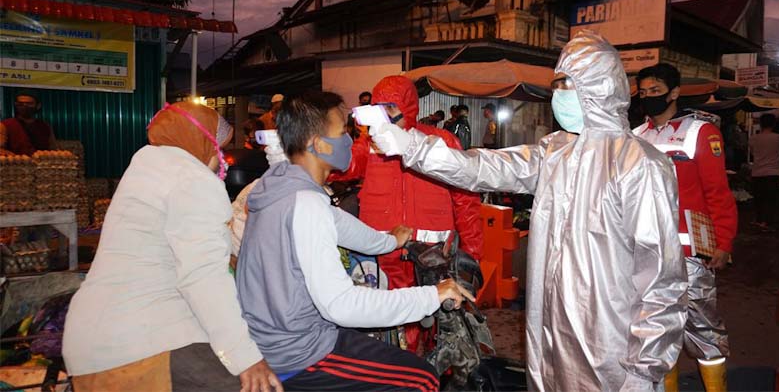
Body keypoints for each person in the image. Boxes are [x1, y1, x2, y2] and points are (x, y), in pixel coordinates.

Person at [370, 30, 688, 391]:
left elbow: (662, 281)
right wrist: (413, 148)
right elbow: (482, 167)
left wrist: (644, 369)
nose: (559, 95)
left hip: (612, 347)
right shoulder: (555, 152)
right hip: (549, 338)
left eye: (568, 84)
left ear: (599, 87)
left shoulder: (640, 165)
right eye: (557, 85)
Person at [236, 91, 472, 391]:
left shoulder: (281, 184)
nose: (350, 139)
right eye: (342, 132)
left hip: (278, 335)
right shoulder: (306, 203)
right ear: (319, 144)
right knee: (421, 378)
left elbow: (342, 225)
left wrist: (390, 242)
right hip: (300, 350)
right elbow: (341, 305)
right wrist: (431, 296)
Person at [63, 102, 282, 392]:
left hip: (91, 340)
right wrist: (246, 358)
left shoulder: (148, 167)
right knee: (254, 385)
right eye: (217, 147)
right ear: (201, 141)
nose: (221, 160)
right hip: (141, 341)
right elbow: (204, 277)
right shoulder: (194, 181)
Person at [331, 76, 484, 353]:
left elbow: (466, 199)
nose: (384, 115)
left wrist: (472, 254)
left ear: (407, 106)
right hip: (384, 256)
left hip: (435, 257)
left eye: (390, 107)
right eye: (377, 108)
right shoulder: (368, 147)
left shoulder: (440, 141)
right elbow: (340, 166)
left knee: (442, 332)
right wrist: (313, 147)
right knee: (390, 332)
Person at [633, 63, 737, 392]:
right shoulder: (636, 137)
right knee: (656, 332)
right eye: (644, 92)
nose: (648, 97)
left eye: (656, 91)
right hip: (647, 252)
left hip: (692, 253)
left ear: (674, 93)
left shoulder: (700, 133)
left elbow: (718, 193)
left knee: (704, 329)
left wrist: (724, 242)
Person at [749, 113, 779, 231]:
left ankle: (759, 219)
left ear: (761, 124)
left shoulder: (753, 138)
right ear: (774, 124)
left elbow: (753, 153)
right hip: (774, 171)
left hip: (757, 171)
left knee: (759, 198)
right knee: (771, 199)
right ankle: (766, 222)